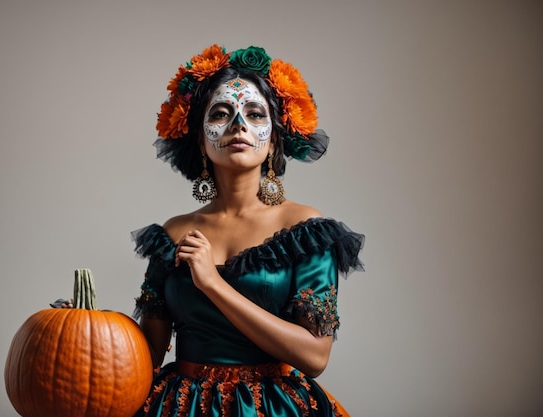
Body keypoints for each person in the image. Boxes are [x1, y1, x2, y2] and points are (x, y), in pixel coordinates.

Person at [56, 44, 364, 417]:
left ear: (274, 140)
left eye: (254, 114)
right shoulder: (171, 234)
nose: (239, 125)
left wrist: (212, 284)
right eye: (221, 113)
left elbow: (314, 356)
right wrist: (82, 331)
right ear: (201, 139)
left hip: (272, 408)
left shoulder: (304, 230)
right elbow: (148, 355)